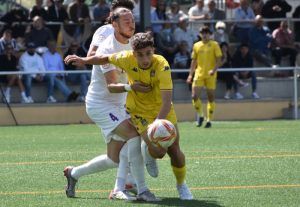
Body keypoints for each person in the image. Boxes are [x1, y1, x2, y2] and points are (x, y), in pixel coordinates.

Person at [65, 32, 194, 200]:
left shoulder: (162, 65)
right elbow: (104, 58)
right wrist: (84, 60)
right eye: (140, 55)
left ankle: (181, 185)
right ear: (133, 54)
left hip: (162, 110)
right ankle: (145, 163)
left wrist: (158, 125)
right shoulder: (125, 57)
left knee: (175, 151)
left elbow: (166, 100)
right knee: (158, 152)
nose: (145, 59)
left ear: (153, 50)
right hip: (139, 112)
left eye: (148, 53)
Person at [63, 8, 160, 202]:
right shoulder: (107, 48)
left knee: (114, 159)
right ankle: (141, 190)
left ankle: (74, 173)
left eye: (132, 20)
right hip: (101, 104)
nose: (131, 24)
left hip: (121, 104)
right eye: (126, 21)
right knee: (134, 134)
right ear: (114, 24)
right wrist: (134, 88)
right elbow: (113, 86)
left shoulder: (134, 44)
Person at [186, 26, 222, 128]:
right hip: (199, 74)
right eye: (203, 33)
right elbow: (194, 61)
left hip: (211, 75)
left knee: (210, 98)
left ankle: (209, 120)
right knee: (194, 96)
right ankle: (201, 115)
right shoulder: (196, 45)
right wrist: (190, 75)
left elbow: (219, 59)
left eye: (207, 32)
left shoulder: (214, 45)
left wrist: (213, 70)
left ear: (210, 34)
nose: (205, 34)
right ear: (200, 34)